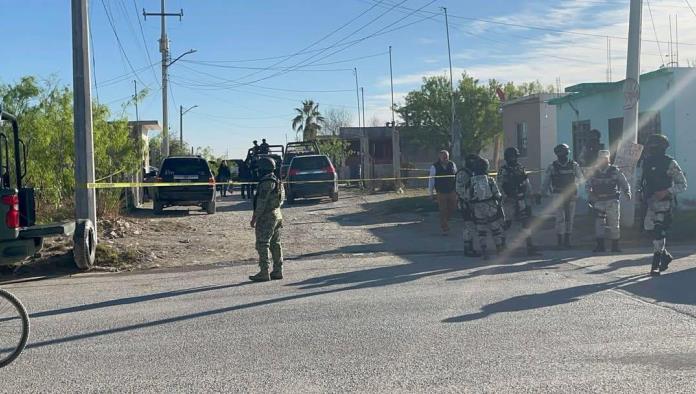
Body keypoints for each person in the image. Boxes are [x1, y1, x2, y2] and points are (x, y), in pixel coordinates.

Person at [638, 134, 687, 276]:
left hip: (663, 202)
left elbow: (682, 184)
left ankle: (656, 263)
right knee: (649, 229)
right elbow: (641, 180)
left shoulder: (670, 163)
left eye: (654, 147)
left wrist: (666, 191)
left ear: (662, 148)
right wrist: (638, 193)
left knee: (659, 230)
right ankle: (664, 255)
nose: (651, 149)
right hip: (649, 201)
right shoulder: (645, 162)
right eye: (650, 146)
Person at [585, 150, 631, 253]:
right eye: (601, 159)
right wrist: (591, 195)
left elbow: (624, 182)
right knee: (599, 223)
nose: (603, 161)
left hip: (612, 200)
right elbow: (587, 185)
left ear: (608, 159)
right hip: (599, 201)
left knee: (614, 223)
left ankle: (615, 245)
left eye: (605, 159)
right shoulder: (593, 171)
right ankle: (600, 245)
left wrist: (627, 192)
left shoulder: (615, 170)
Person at [497, 147, 540, 256]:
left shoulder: (520, 168)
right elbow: (500, 185)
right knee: (507, 223)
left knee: (526, 223)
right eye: (511, 157)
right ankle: (501, 245)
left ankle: (530, 246)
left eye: (515, 156)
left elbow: (526, 182)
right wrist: (504, 196)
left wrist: (530, 195)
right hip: (509, 200)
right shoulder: (503, 170)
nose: (513, 159)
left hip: (521, 198)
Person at [249, 157, 285, 282]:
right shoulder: (277, 180)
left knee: (262, 243)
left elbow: (261, 201)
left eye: (259, 168)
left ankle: (264, 272)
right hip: (277, 214)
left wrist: (255, 217)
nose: (258, 171)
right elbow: (281, 199)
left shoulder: (266, 182)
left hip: (267, 216)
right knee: (275, 244)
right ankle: (278, 270)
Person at [542, 143, 584, 248]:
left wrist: (575, 187)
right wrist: (542, 193)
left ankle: (567, 240)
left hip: (570, 194)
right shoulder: (552, 166)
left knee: (570, 218)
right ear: (557, 154)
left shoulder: (574, 165)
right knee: (560, 218)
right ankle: (560, 241)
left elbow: (581, 178)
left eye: (565, 153)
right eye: (562, 153)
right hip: (558, 194)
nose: (564, 155)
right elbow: (546, 182)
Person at [464, 156, 506, 259]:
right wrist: (499, 204)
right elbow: (498, 194)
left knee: (481, 230)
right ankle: (499, 249)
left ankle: (484, 251)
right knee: (495, 228)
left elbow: (467, 197)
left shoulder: (471, 181)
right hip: (490, 206)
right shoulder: (490, 180)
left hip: (477, 208)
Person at [456, 154, 481, 257]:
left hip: (474, 203)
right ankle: (468, 248)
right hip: (465, 203)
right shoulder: (463, 173)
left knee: (474, 224)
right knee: (469, 225)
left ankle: (473, 246)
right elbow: (460, 189)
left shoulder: (474, 172)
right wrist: (469, 198)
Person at [428, 150, 458, 235]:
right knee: (443, 209)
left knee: (453, 207)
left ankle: (446, 220)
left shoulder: (452, 164)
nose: (445, 158)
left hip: (452, 191)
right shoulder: (434, 166)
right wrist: (430, 193)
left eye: (446, 156)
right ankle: (444, 227)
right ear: (439, 157)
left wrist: (457, 190)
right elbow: (431, 180)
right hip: (441, 192)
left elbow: (456, 176)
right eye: (443, 156)